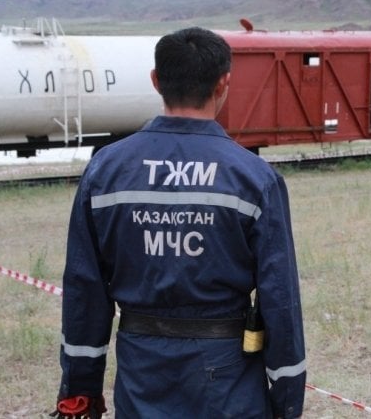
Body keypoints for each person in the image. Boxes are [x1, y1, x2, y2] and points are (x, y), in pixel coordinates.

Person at [54, 27, 306, 418]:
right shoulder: (255, 178)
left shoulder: (106, 171)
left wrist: (80, 389)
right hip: (229, 383)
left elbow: (85, 291)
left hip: (141, 374)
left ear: (156, 81)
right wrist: (287, 398)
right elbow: (280, 300)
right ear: (223, 83)